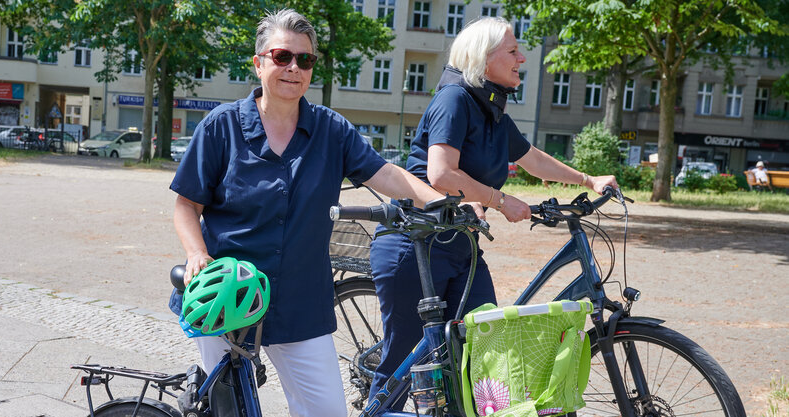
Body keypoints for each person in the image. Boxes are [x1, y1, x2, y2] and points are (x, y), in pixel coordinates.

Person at [168, 9, 444, 417]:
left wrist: (438, 202)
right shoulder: (219, 126)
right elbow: (186, 205)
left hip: (300, 302)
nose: (294, 68)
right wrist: (196, 254)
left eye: (305, 59)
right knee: (230, 410)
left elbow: (385, 174)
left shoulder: (332, 131)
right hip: (228, 295)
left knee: (327, 411)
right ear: (259, 62)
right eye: (282, 57)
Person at [368, 17, 619, 406]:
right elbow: (440, 172)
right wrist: (499, 201)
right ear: (484, 59)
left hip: (461, 246)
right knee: (404, 361)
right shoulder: (454, 100)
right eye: (513, 50)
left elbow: (532, 158)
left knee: (480, 351)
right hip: (414, 246)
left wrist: (588, 179)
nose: (522, 57)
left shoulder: (490, 108)